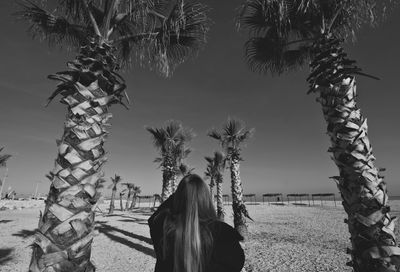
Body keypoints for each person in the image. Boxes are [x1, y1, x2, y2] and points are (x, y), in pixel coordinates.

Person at [148, 174, 245, 272]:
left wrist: (181, 194)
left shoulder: (164, 228)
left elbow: (155, 217)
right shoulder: (221, 232)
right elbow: (237, 263)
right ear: (206, 199)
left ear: (178, 198)